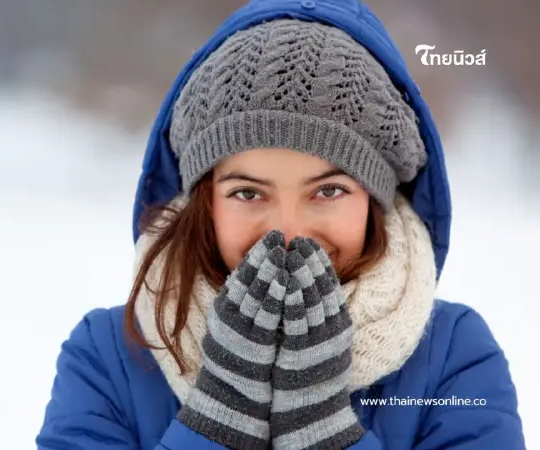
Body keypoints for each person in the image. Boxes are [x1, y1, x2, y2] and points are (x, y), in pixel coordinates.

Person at [35, 0, 526, 449]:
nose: (288, 232)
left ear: (375, 202)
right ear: (203, 203)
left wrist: (326, 433)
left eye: (328, 191)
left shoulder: (453, 357)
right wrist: (217, 424)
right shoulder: (108, 357)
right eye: (248, 193)